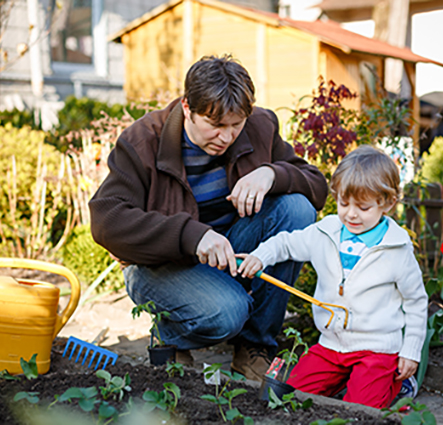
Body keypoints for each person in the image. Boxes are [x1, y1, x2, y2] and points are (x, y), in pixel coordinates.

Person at [89, 55, 328, 381]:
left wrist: (271, 174)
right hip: (163, 265)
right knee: (228, 312)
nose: (227, 137)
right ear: (188, 107)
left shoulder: (260, 127)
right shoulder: (143, 140)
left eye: (236, 125)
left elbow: (315, 185)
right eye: (215, 125)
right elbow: (107, 220)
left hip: (231, 250)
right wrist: (191, 235)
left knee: (297, 208)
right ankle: (171, 334)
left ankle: (254, 347)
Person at [237, 145, 428, 407]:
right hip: (331, 346)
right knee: (291, 395)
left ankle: (398, 384)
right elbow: (286, 243)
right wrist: (260, 256)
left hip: (377, 351)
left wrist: (410, 352)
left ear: (387, 203)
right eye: (343, 203)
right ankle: (342, 378)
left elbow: (416, 303)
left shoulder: (396, 249)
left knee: (360, 407)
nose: (351, 214)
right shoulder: (326, 233)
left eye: (363, 207)